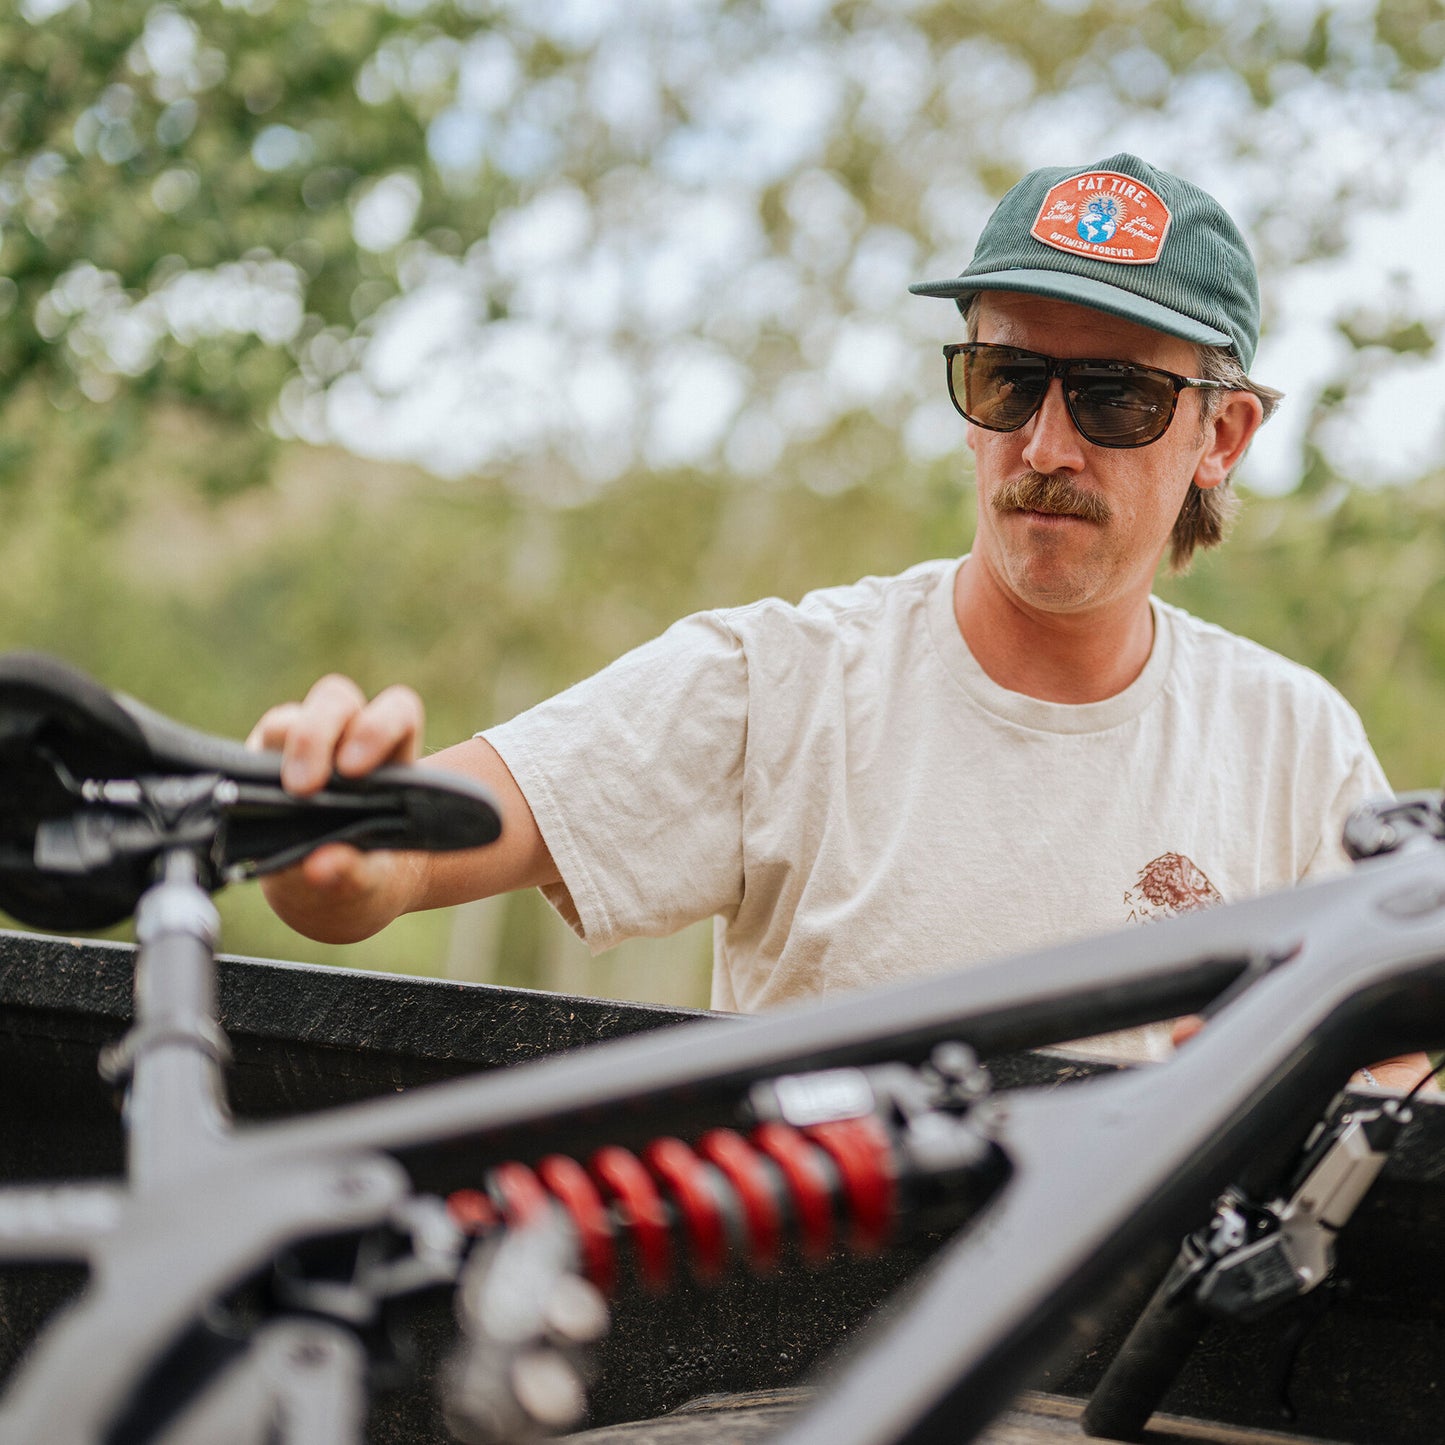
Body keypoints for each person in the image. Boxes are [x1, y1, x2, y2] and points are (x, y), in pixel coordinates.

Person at [251, 153, 1429, 1086]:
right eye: (1007, 380)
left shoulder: (1294, 746)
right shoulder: (776, 683)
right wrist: (336, 842)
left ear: (1221, 436)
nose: (1044, 445)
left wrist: (1312, 1082)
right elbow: (413, 848)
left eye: (1115, 397)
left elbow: (1401, 1091)